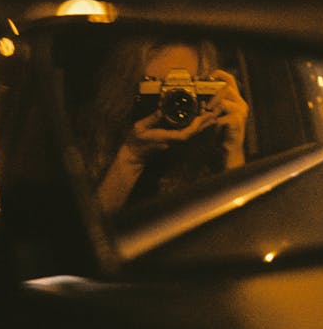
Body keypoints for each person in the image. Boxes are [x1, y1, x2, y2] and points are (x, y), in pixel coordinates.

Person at [82, 36, 249, 215]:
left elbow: (241, 229)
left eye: (188, 86)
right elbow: (86, 233)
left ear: (206, 88)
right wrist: (131, 156)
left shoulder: (213, 143)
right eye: (159, 85)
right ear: (128, 90)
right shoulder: (93, 147)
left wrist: (233, 150)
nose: (176, 102)